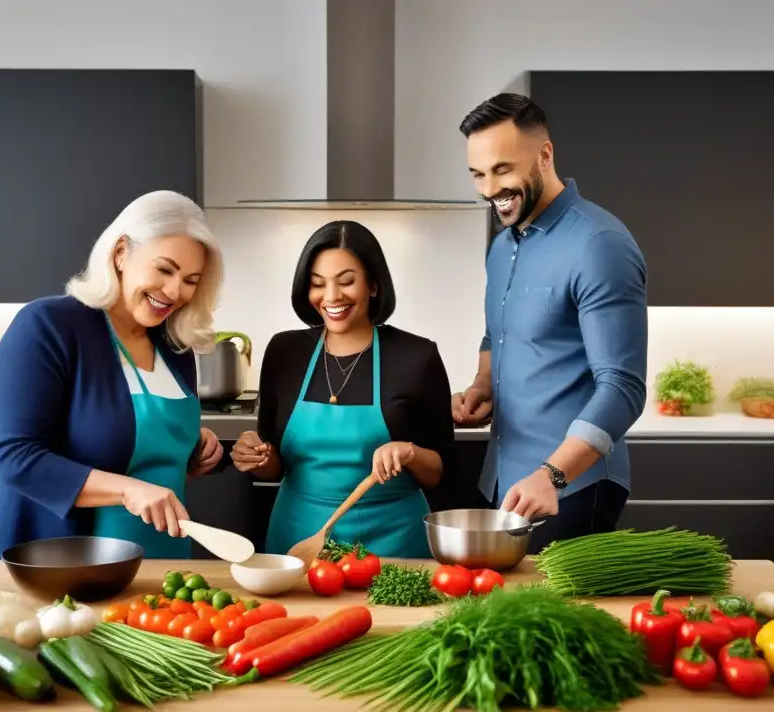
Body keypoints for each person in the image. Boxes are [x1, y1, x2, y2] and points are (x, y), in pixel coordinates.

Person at [0, 190, 226, 559]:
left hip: (152, 554)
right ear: (120, 254)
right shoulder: (49, 326)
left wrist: (191, 448)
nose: (175, 291)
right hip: (46, 558)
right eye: (164, 269)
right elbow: (15, 455)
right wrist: (129, 490)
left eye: (191, 279)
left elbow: (129, 440)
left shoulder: (175, 346)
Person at [452, 93, 648, 551]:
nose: (488, 189)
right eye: (478, 174)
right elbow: (496, 333)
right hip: (505, 479)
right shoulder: (503, 246)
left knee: (558, 621)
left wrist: (552, 475)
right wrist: (483, 384)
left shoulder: (598, 245)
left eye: (502, 169)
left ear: (545, 155)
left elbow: (623, 386)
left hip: (570, 488)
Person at [230, 221, 454, 558]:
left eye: (346, 281)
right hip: (299, 539)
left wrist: (409, 452)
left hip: (395, 545)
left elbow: (439, 471)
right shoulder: (285, 351)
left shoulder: (416, 356)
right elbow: (274, 464)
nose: (331, 296)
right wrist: (254, 455)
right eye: (318, 284)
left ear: (374, 285)